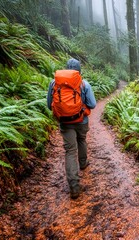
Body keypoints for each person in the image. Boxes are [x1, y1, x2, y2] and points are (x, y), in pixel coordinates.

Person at [47, 58, 96, 199]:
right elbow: (92, 104)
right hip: (82, 120)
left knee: (70, 151)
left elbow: (49, 104)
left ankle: (74, 186)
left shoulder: (54, 83)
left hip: (64, 122)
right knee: (82, 139)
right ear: (79, 70)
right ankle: (83, 163)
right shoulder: (84, 84)